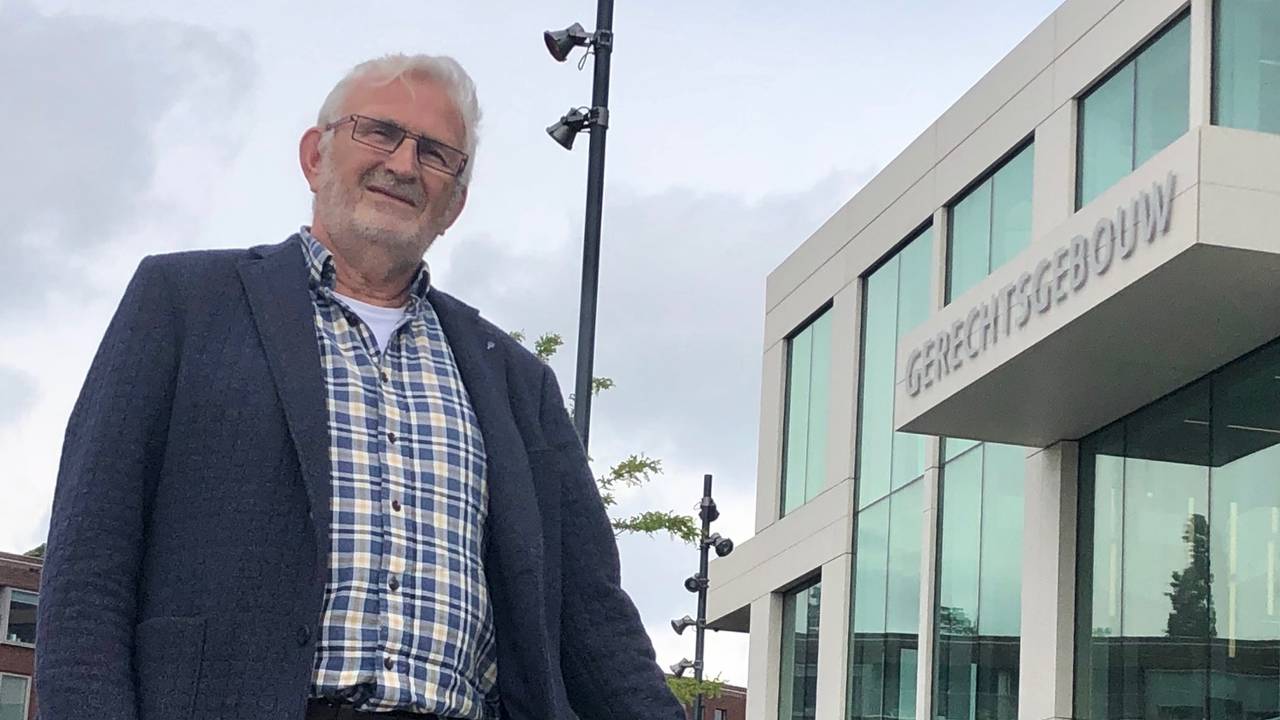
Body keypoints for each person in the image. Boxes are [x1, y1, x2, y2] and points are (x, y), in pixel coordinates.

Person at [36, 53, 684, 720]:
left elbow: (596, 625)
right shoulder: (182, 304)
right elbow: (88, 572)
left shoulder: (519, 385)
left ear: (454, 203)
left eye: (436, 154)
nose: (404, 164)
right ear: (315, 155)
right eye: (379, 132)